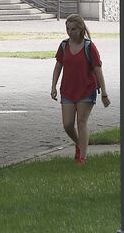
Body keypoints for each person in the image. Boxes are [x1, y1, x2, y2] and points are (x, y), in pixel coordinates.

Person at [50, 14, 110, 166]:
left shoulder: (89, 46)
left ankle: (82, 157)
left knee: (81, 122)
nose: (70, 32)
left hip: (86, 89)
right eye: (68, 29)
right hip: (68, 90)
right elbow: (58, 66)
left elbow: (98, 70)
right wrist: (53, 86)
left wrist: (104, 93)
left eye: (73, 29)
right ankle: (79, 143)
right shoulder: (64, 45)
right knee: (68, 124)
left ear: (81, 28)